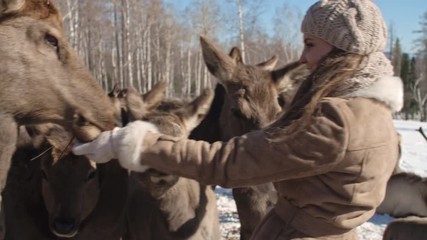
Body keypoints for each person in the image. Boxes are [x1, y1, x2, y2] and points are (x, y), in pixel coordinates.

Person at [73, 0, 404, 239]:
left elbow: (225, 162)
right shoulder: (377, 114)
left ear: (341, 49)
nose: (302, 57)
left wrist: (132, 142)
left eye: (310, 44)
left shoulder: (338, 120)